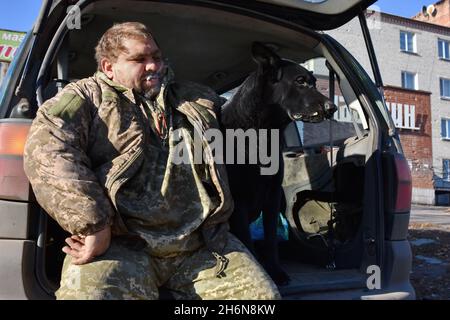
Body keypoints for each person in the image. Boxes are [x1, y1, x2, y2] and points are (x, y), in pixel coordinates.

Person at [23, 22, 280, 300]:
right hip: (122, 246)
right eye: (139, 59)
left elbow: (242, 119)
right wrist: (94, 224)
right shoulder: (86, 97)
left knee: (262, 301)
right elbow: (47, 150)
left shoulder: (194, 98)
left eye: (156, 57)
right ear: (109, 67)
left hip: (201, 244)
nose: (153, 66)